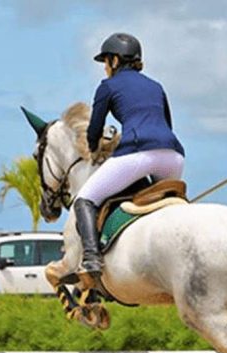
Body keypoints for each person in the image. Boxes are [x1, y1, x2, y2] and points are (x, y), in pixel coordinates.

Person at [73, 32, 185, 281]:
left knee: (85, 199)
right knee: (166, 207)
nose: (104, 67)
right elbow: (167, 124)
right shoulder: (156, 86)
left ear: (114, 60)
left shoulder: (108, 86)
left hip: (137, 153)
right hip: (173, 155)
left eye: (105, 61)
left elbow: (94, 128)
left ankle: (91, 257)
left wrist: (93, 148)